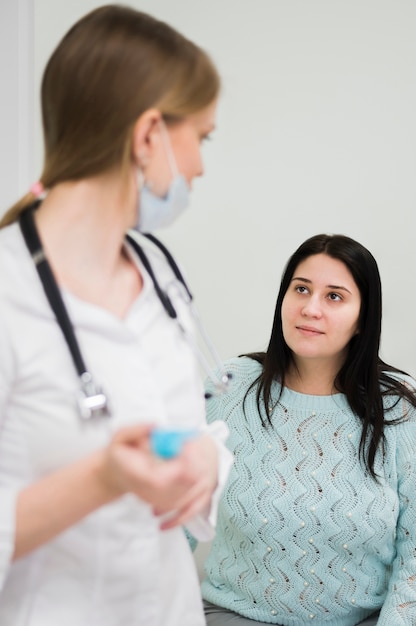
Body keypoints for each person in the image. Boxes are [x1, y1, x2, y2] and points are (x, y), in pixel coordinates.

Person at [0, 5, 233, 626]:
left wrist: (209, 461)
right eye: (201, 138)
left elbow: (184, 436)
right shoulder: (7, 291)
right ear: (149, 134)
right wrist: (102, 479)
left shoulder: (158, 276)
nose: (202, 166)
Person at [189, 234, 416, 626]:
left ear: (364, 317)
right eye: (301, 289)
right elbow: (176, 512)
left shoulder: (399, 408)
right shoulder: (229, 388)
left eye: (334, 296)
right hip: (234, 615)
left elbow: (413, 551)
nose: (311, 308)